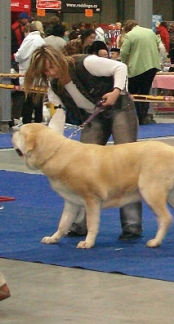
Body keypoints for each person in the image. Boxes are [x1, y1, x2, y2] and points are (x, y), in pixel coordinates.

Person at [23, 45, 142, 239]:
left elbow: (120, 68)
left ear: (59, 60)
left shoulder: (85, 63)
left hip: (120, 109)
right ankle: (79, 224)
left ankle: (132, 225)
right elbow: (58, 114)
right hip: (93, 116)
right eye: (46, 71)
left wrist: (115, 91)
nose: (51, 72)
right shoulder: (54, 87)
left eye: (52, 67)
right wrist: (52, 143)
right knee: (81, 171)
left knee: (127, 165)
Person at [120, 19, 162, 125]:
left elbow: (124, 52)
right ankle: (143, 117)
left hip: (136, 68)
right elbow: (160, 47)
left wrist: (124, 64)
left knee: (132, 93)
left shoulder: (130, 35)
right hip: (152, 66)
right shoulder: (150, 32)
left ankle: (133, 117)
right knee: (145, 92)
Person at [14, 23, 46, 124]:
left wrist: (16, 56)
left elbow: (21, 55)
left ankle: (26, 123)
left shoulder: (29, 39)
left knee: (28, 100)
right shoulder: (41, 39)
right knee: (38, 101)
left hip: (29, 73)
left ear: (27, 31)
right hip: (39, 73)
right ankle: (38, 122)